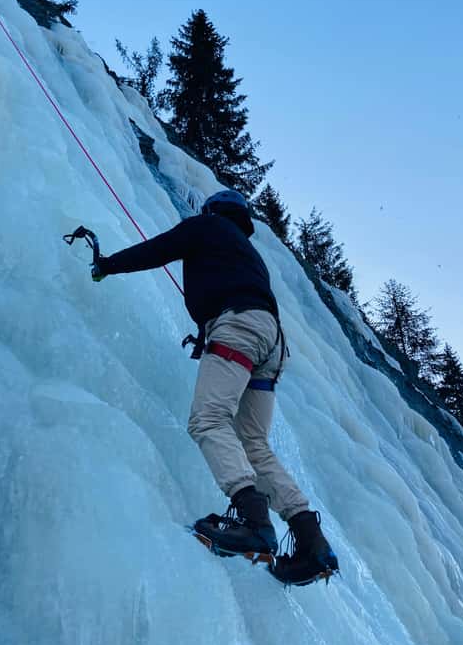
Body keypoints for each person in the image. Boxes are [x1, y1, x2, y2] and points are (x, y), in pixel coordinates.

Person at [91, 189, 338, 585]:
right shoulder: (247, 253)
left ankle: (253, 520)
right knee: (253, 443)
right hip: (271, 342)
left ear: (212, 211)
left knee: (208, 419)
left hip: (238, 327)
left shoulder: (206, 227)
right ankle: (313, 543)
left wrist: (107, 265)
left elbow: (158, 250)